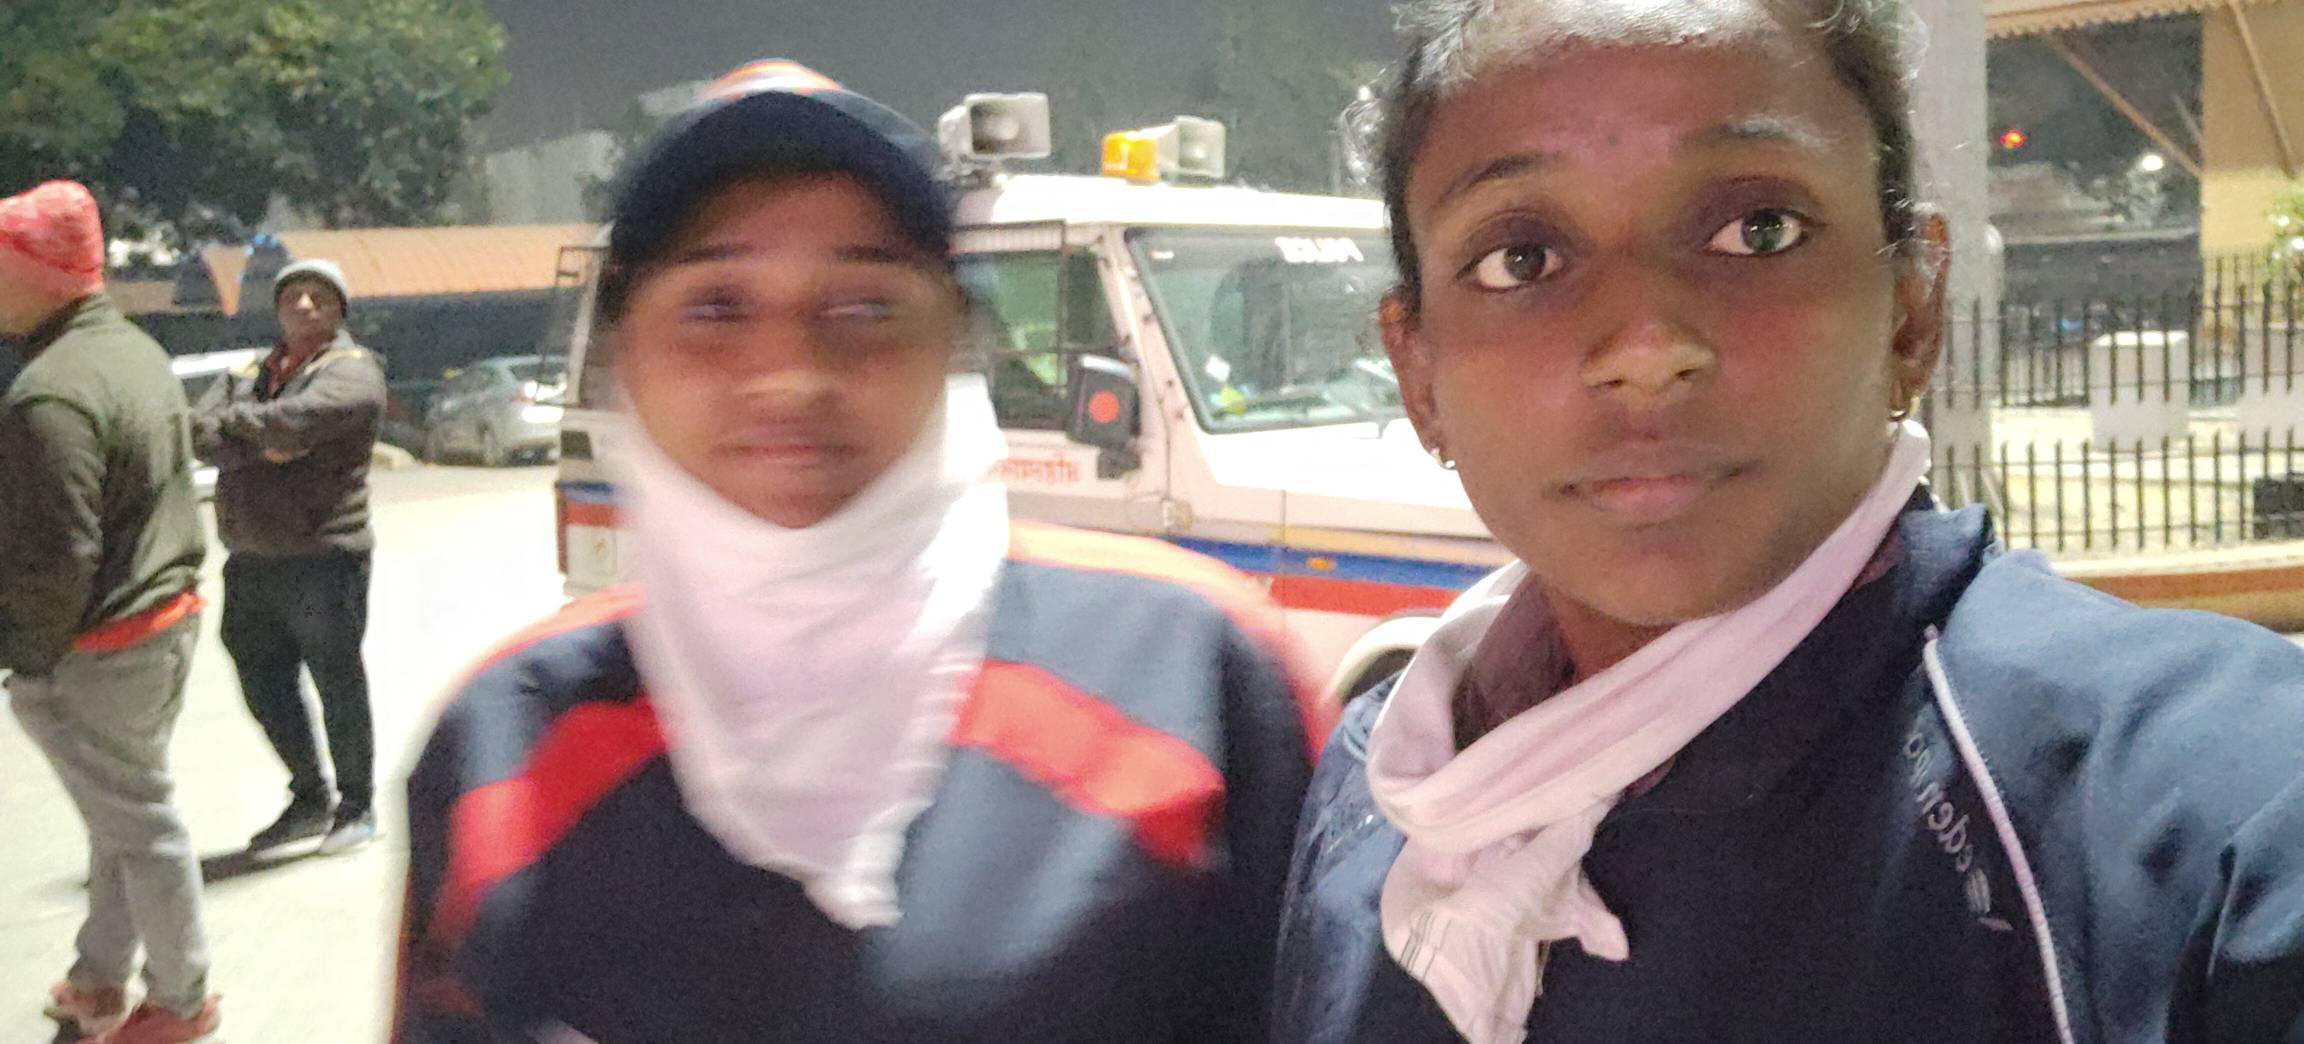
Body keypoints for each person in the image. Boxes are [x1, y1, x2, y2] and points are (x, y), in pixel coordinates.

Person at [1271, 2, 2304, 1042]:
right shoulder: (1376, 789)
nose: (1646, 347)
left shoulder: (2199, 819)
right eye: (1522, 259)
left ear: (1911, 309)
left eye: (1757, 230)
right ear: (1420, 378)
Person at [392, 61, 1329, 1043]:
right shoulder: (500, 739)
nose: (792, 375)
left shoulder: (1195, 675)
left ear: (955, 342)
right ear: (623, 355)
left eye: (866, 309)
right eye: (715, 310)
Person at [0, 180, 221, 1043]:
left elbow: (57, 558)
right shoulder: (134, 352)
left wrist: (24, 654)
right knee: (119, 818)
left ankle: (181, 999)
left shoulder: (49, 393)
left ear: (44, 272)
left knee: (141, 824)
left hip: (102, 644)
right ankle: (99, 978)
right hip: (162, 621)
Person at [191, 258, 387, 856]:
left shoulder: (353, 371)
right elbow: (198, 429)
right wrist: (263, 441)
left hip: (322, 557)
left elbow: (299, 421)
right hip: (251, 558)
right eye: (292, 295)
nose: (303, 305)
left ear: (339, 310)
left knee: (336, 681)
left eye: (317, 296)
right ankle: (309, 798)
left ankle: (356, 806)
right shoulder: (252, 370)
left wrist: (244, 432)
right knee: (262, 680)